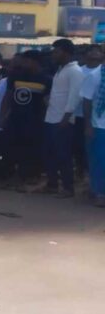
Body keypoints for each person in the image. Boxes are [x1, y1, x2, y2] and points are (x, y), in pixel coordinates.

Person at [0, 50, 51, 192]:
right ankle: (11, 177)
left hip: (35, 121)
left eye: (26, 60)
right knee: (11, 149)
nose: (22, 63)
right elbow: (7, 97)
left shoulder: (46, 79)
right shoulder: (15, 76)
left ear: (35, 61)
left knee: (30, 151)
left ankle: (26, 178)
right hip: (15, 119)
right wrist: (2, 116)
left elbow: (48, 102)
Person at [42, 39, 85, 198]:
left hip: (63, 120)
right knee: (50, 153)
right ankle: (52, 184)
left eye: (57, 51)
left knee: (63, 155)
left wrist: (66, 118)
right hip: (52, 117)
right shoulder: (61, 70)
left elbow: (75, 96)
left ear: (66, 53)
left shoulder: (75, 71)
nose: (54, 54)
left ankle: (68, 188)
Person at [74, 46, 103, 179]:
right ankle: (82, 172)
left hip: (97, 118)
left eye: (98, 51)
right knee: (81, 146)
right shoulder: (81, 72)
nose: (95, 53)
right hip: (80, 115)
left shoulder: (100, 71)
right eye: (91, 50)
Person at [80, 57, 105, 207]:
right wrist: (88, 125)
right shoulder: (95, 76)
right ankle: (99, 194)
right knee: (99, 162)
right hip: (98, 125)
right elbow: (87, 102)